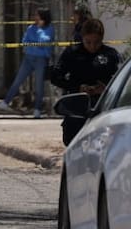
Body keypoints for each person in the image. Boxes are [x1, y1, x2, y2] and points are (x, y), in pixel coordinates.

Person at [50, 17, 120, 145]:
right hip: (76, 110)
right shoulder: (72, 53)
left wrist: (106, 88)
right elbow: (55, 77)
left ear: (102, 39)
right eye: (88, 42)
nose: (92, 46)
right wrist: (78, 87)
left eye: (97, 42)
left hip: (103, 111)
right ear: (82, 38)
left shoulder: (111, 55)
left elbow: (121, 81)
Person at [0, 8, 55, 118]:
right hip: (28, 58)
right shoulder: (30, 28)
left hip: (41, 59)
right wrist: (35, 42)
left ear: (43, 17)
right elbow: (25, 41)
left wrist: (37, 36)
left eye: (37, 15)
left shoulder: (49, 28)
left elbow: (45, 41)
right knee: (18, 80)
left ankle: (37, 110)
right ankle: (5, 102)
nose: (35, 17)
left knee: (39, 86)